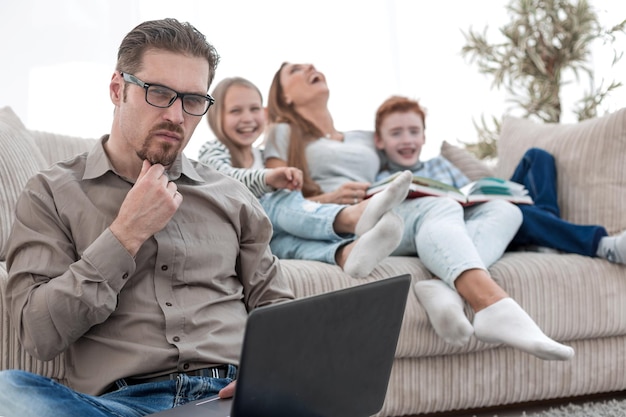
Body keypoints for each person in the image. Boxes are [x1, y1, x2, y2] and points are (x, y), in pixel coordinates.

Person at [0, 19, 295, 417]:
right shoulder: (51, 193)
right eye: (159, 93)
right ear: (117, 89)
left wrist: (272, 370)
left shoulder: (231, 195)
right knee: (9, 392)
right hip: (123, 406)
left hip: (234, 397)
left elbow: (275, 304)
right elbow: (38, 333)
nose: (176, 115)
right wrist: (125, 234)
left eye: (193, 100)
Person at [264, 62, 575, 362]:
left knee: (506, 211)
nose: (309, 68)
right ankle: (492, 305)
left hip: (388, 209)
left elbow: (403, 153)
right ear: (284, 96)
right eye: (295, 70)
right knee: (440, 207)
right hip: (346, 219)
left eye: (310, 65)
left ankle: (444, 287)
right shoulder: (283, 131)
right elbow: (280, 192)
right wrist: (326, 197)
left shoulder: (363, 137)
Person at [197, 77, 412, 277]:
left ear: (264, 112)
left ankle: (346, 254)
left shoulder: (263, 157)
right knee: (276, 199)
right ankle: (351, 217)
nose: (247, 118)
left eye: (254, 109)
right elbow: (225, 180)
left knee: (289, 243)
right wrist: (268, 179)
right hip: (236, 230)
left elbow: (295, 208)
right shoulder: (214, 149)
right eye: (236, 111)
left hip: (268, 238)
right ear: (216, 117)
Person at [374, 95, 626, 263]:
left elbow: (469, 191)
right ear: (379, 141)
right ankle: (602, 245)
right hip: (478, 226)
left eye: (414, 131)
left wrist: (491, 191)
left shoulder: (440, 164)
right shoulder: (385, 180)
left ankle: (545, 233)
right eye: (396, 133)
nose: (407, 139)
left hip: (481, 207)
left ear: (424, 137)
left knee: (537, 157)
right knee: (518, 216)